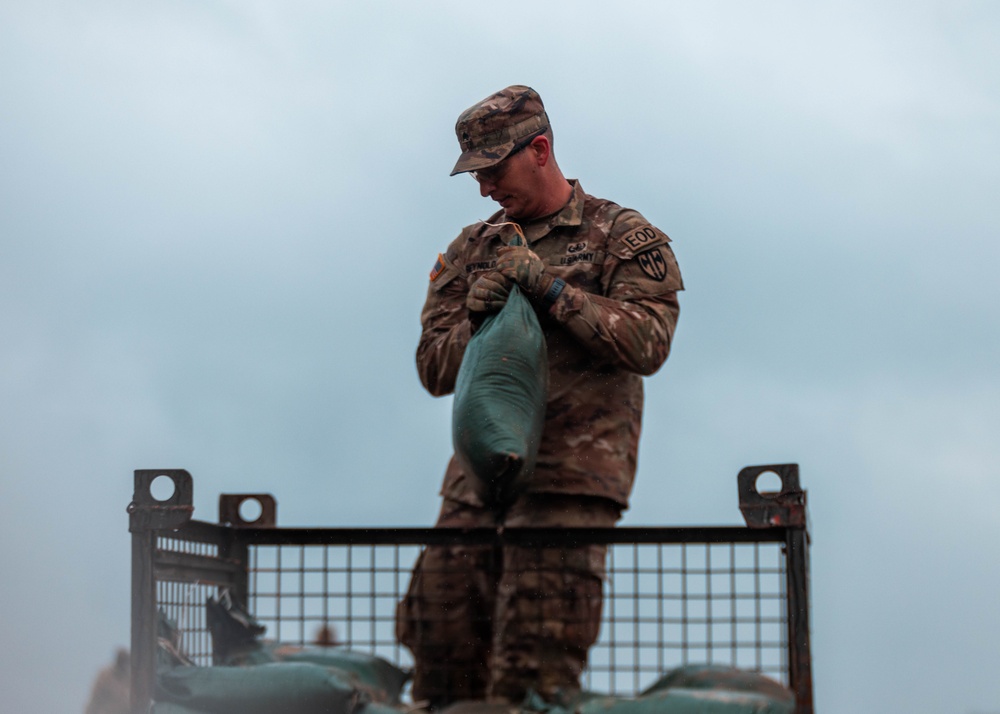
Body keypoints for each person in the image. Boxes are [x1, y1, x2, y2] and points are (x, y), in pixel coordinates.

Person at [396, 85, 683, 708]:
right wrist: (476, 321)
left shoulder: (620, 237)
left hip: (567, 487)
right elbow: (432, 369)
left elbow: (648, 341)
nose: (485, 190)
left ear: (540, 150)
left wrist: (553, 292)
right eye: (476, 176)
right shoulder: (471, 250)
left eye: (494, 171)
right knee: (441, 654)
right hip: (475, 488)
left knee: (532, 674)